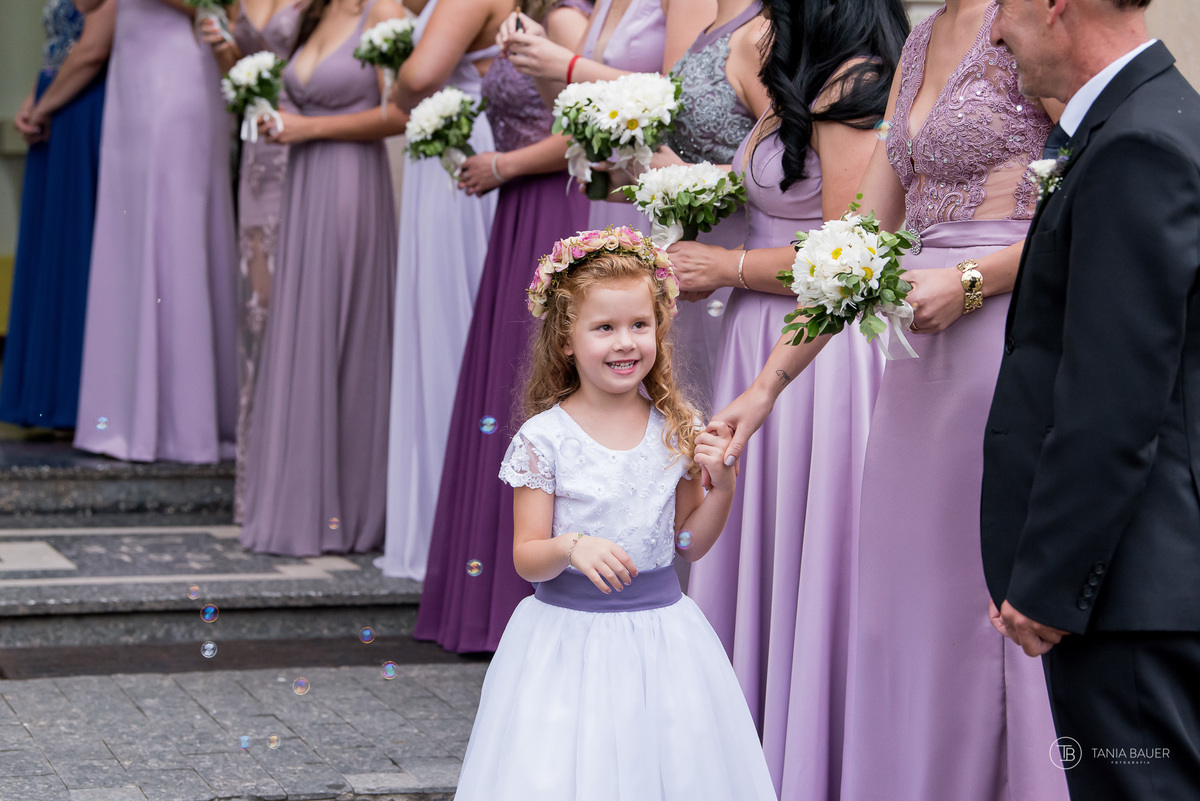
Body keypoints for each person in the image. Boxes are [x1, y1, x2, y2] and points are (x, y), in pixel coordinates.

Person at [713, 1, 1069, 799]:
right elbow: (862, 244)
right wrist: (768, 384)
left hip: (1004, 333)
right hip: (914, 359)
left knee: (985, 594)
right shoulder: (915, 42)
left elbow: (1092, 201)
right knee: (908, 603)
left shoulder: (1034, 27)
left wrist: (973, 280)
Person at [451, 229, 777, 801]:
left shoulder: (674, 428)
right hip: (565, 644)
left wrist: (721, 487)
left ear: (659, 329)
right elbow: (527, 557)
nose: (625, 342)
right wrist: (571, 544)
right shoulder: (544, 439)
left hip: (663, 639)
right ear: (565, 341)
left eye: (639, 325)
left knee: (665, 770)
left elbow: (687, 543)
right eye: (604, 328)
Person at [672, 1, 906, 796]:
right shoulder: (797, 76)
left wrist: (726, 268)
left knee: (805, 549)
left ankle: (802, 754)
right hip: (754, 336)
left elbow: (847, 249)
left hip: (818, 357)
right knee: (751, 541)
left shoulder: (855, 86)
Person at [985, 0, 1200, 797]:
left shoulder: (1137, 143)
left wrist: (1051, 580)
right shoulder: (1157, 116)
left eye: (1003, 5)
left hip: (1130, 586)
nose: (995, 27)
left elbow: (1113, 394)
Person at [403, 0, 592, 652]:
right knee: (505, 386)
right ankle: (485, 601)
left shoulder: (568, 21)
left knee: (534, 382)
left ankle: (530, 593)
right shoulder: (525, 12)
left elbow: (595, 128)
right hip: (518, 212)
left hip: (557, 206)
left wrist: (503, 165)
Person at [239, 0, 408, 555]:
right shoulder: (313, 12)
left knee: (346, 332)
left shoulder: (381, 13)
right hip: (304, 182)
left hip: (349, 185)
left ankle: (353, 511)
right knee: (304, 330)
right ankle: (303, 502)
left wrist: (308, 127)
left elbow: (399, 113)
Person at [500, 0, 721, 405]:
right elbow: (571, 102)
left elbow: (684, 94)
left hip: (671, 184)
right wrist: (538, 55)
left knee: (665, 348)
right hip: (622, 189)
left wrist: (566, 64)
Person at [73, 0, 239, 463]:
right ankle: (121, 418)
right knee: (127, 237)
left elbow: (216, 6)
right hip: (132, 75)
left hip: (178, 72)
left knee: (176, 232)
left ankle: (188, 425)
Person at [381, 0, 504, 580]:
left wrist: (398, 89)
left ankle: (446, 525)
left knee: (447, 321)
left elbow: (421, 74)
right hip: (450, 143)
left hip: (461, 148)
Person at [201, 0, 305, 522]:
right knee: (257, 312)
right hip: (258, 156)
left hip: (303, 146)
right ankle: (260, 480)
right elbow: (239, 75)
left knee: (298, 307)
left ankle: (298, 470)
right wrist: (225, 52)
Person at [1, 0, 112, 431]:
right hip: (57, 99)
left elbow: (92, 50)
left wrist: (45, 107)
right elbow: (57, 47)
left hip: (84, 106)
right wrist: (33, 100)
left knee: (73, 251)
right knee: (51, 253)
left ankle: (73, 401)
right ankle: (44, 398)